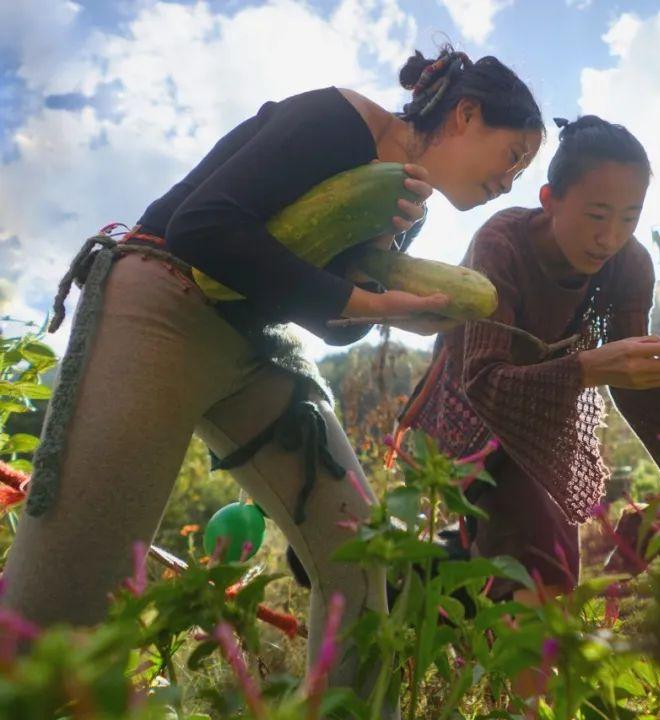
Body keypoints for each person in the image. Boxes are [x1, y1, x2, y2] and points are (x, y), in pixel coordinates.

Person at [0, 46, 543, 702]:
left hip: (258, 342)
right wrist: (361, 302)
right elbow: (205, 227)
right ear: (466, 113)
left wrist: (396, 307)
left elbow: (332, 318)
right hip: (164, 304)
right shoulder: (337, 121)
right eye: (514, 156)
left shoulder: (408, 203)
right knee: (55, 618)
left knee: (363, 560)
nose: (510, 180)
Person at [392, 115, 660, 604]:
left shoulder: (629, 265)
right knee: (534, 565)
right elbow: (485, 383)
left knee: (545, 565)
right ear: (550, 200)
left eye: (629, 218)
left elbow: (631, 377)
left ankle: (464, 594)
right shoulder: (503, 243)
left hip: (545, 410)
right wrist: (591, 368)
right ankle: (446, 587)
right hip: (471, 415)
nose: (610, 237)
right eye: (597, 216)